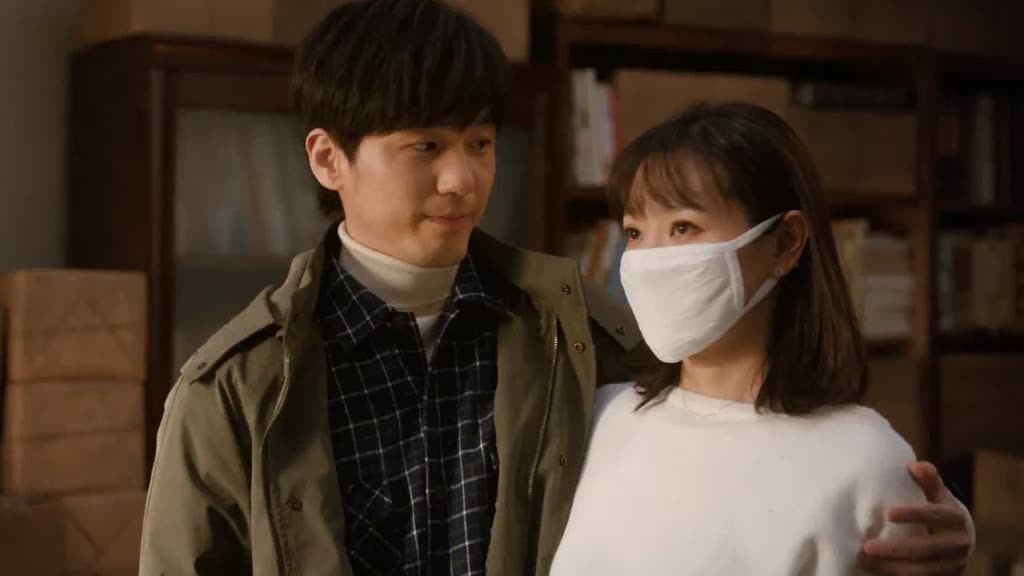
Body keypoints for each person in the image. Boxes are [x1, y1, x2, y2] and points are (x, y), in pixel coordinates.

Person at [139, 1, 972, 574]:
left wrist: (924, 527)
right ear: (330, 160)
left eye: (480, 142)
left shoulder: (577, 339)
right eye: (426, 147)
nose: (464, 179)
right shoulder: (240, 388)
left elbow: (729, 445)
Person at [550, 102, 974, 576]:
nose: (650, 259)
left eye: (683, 227)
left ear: (785, 242)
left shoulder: (864, 459)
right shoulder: (599, 417)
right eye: (634, 232)